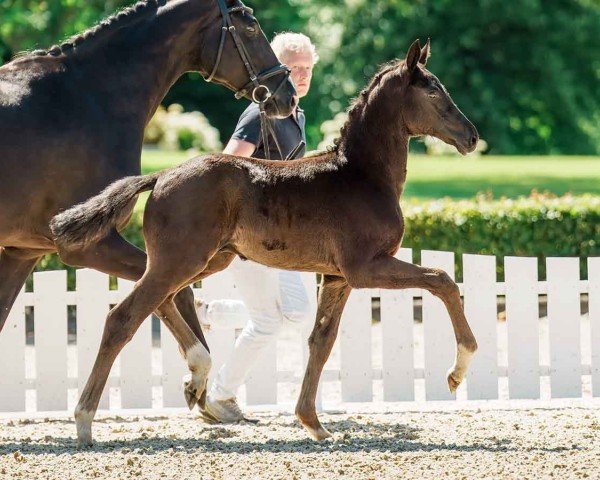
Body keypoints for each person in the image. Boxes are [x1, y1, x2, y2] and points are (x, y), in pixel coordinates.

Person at [198, 32, 318, 423]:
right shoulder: (260, 112)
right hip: (248, 234)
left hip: (280, 234)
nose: (301, 75)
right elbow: (229, 165)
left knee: (297, 313)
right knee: (271, 321)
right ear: (278, 70)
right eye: (293, 68)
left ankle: (212, 311)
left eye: (307, 68)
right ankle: (220, 397)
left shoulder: (297, 115)